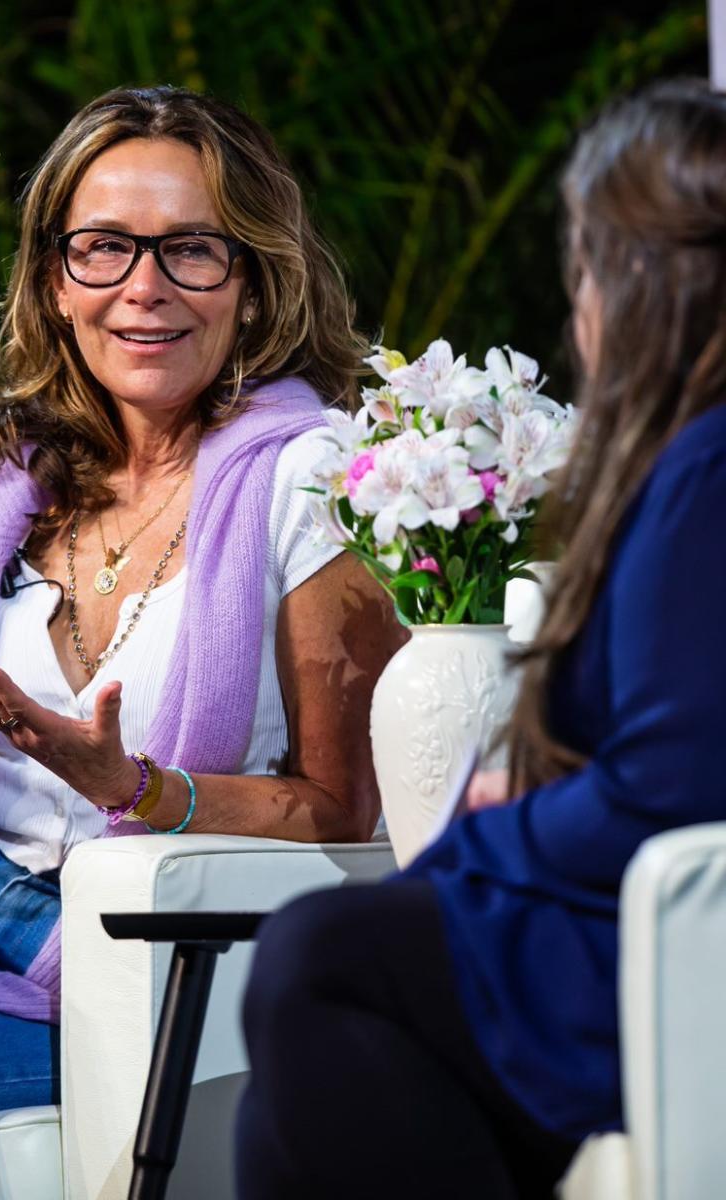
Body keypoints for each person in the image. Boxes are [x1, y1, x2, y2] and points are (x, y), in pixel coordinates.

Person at [0, 85, 400, 1197]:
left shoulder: (315, 482)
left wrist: (146, 789)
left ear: (251, 284)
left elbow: (342, 806)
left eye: (191, 250)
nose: (143, 288)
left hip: (145, 946)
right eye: (103, 249)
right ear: (57, 284)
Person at [235, 77, 726, 1200]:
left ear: (644, 283)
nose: (580, 306)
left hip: (664, 951)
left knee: (316, 957)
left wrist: (493, 834)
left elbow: (679, 781)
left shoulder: (706, 470)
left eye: (586, 267)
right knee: (286, 1112)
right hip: (631, 922)